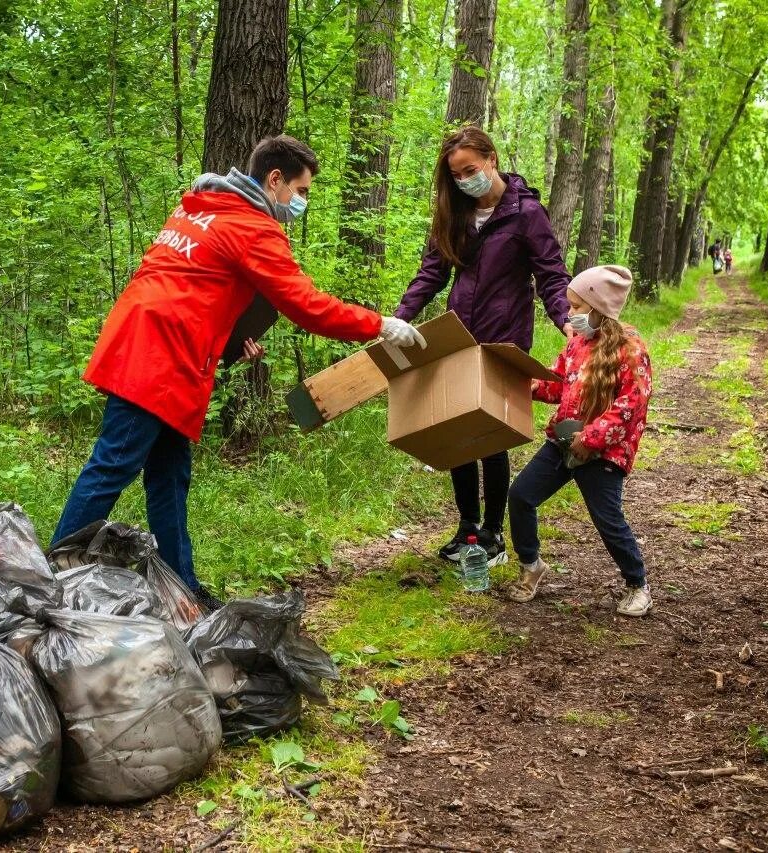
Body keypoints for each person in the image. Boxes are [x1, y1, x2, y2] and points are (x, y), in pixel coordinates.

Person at [52, 135, 426, 609]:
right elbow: (307, 307)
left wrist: (227, 342)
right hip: (157, 359)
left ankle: (181, 587)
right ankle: (50, 581)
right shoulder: (252, 226)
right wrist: (379, 324)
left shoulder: (200, 207)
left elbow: (191, 285)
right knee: (113, 465)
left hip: (156, 347)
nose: (300, 202)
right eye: (300, 189)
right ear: (275, 180)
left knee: (168, 477)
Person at [391, 125, 571, 569]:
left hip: (503, 339)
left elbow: (551, 274)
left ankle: (493, 533)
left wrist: (568, 321)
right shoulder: (454, 213)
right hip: (458, 335)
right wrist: (400, 317)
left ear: (491, 159)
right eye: (456, 175)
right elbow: (432, 272)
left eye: (470, 169)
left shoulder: (526, 214)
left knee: (491, 436)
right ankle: (467, 526)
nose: (465, 180)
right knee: (459, 433)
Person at [506, 265, 654, 617]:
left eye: (576, 307)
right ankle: (531, 565)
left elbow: (631, 404)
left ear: (599, 308)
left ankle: (638, 585)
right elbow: (561, 384)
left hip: (603, 450)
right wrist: (532, 387)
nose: (569, 314)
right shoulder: (577, 343)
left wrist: (591, 438)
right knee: (521, 495)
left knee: (607, 519)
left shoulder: (630, 349)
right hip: (563, 440)